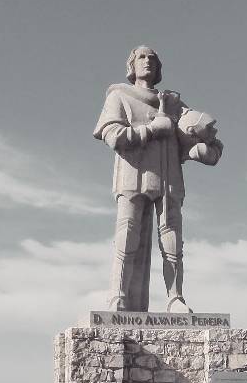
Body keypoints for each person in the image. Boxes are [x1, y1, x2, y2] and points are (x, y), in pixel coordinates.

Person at [94, 45, 223, 312]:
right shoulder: (119, 96)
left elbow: (205, 138)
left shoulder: (174, 103)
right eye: (141, 57)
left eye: (152, 57)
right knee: (126, 234)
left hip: (169, 178)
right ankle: (117, 296)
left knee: (172, 239)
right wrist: (152, 129)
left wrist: (203, 151)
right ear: (131, 65)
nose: (147, 61)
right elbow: (112, 136)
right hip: (133, 175)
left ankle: (175, 298)